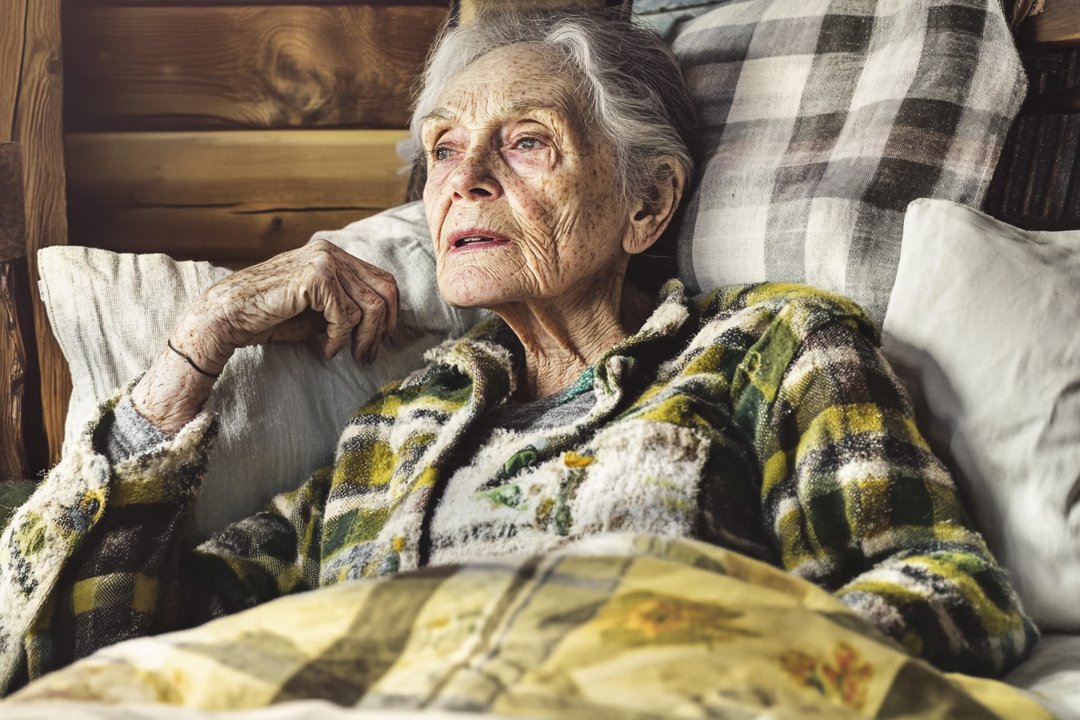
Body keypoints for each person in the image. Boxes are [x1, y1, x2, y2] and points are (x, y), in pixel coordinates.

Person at [0, 8, 1035, 695]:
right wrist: (206, 333)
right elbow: (106, 648)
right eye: (445, 150)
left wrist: (696, 678)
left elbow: (944, 590)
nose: (464, 182)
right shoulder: (395, 427)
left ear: (647, 203)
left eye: (527, 140)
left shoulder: (772, 349)